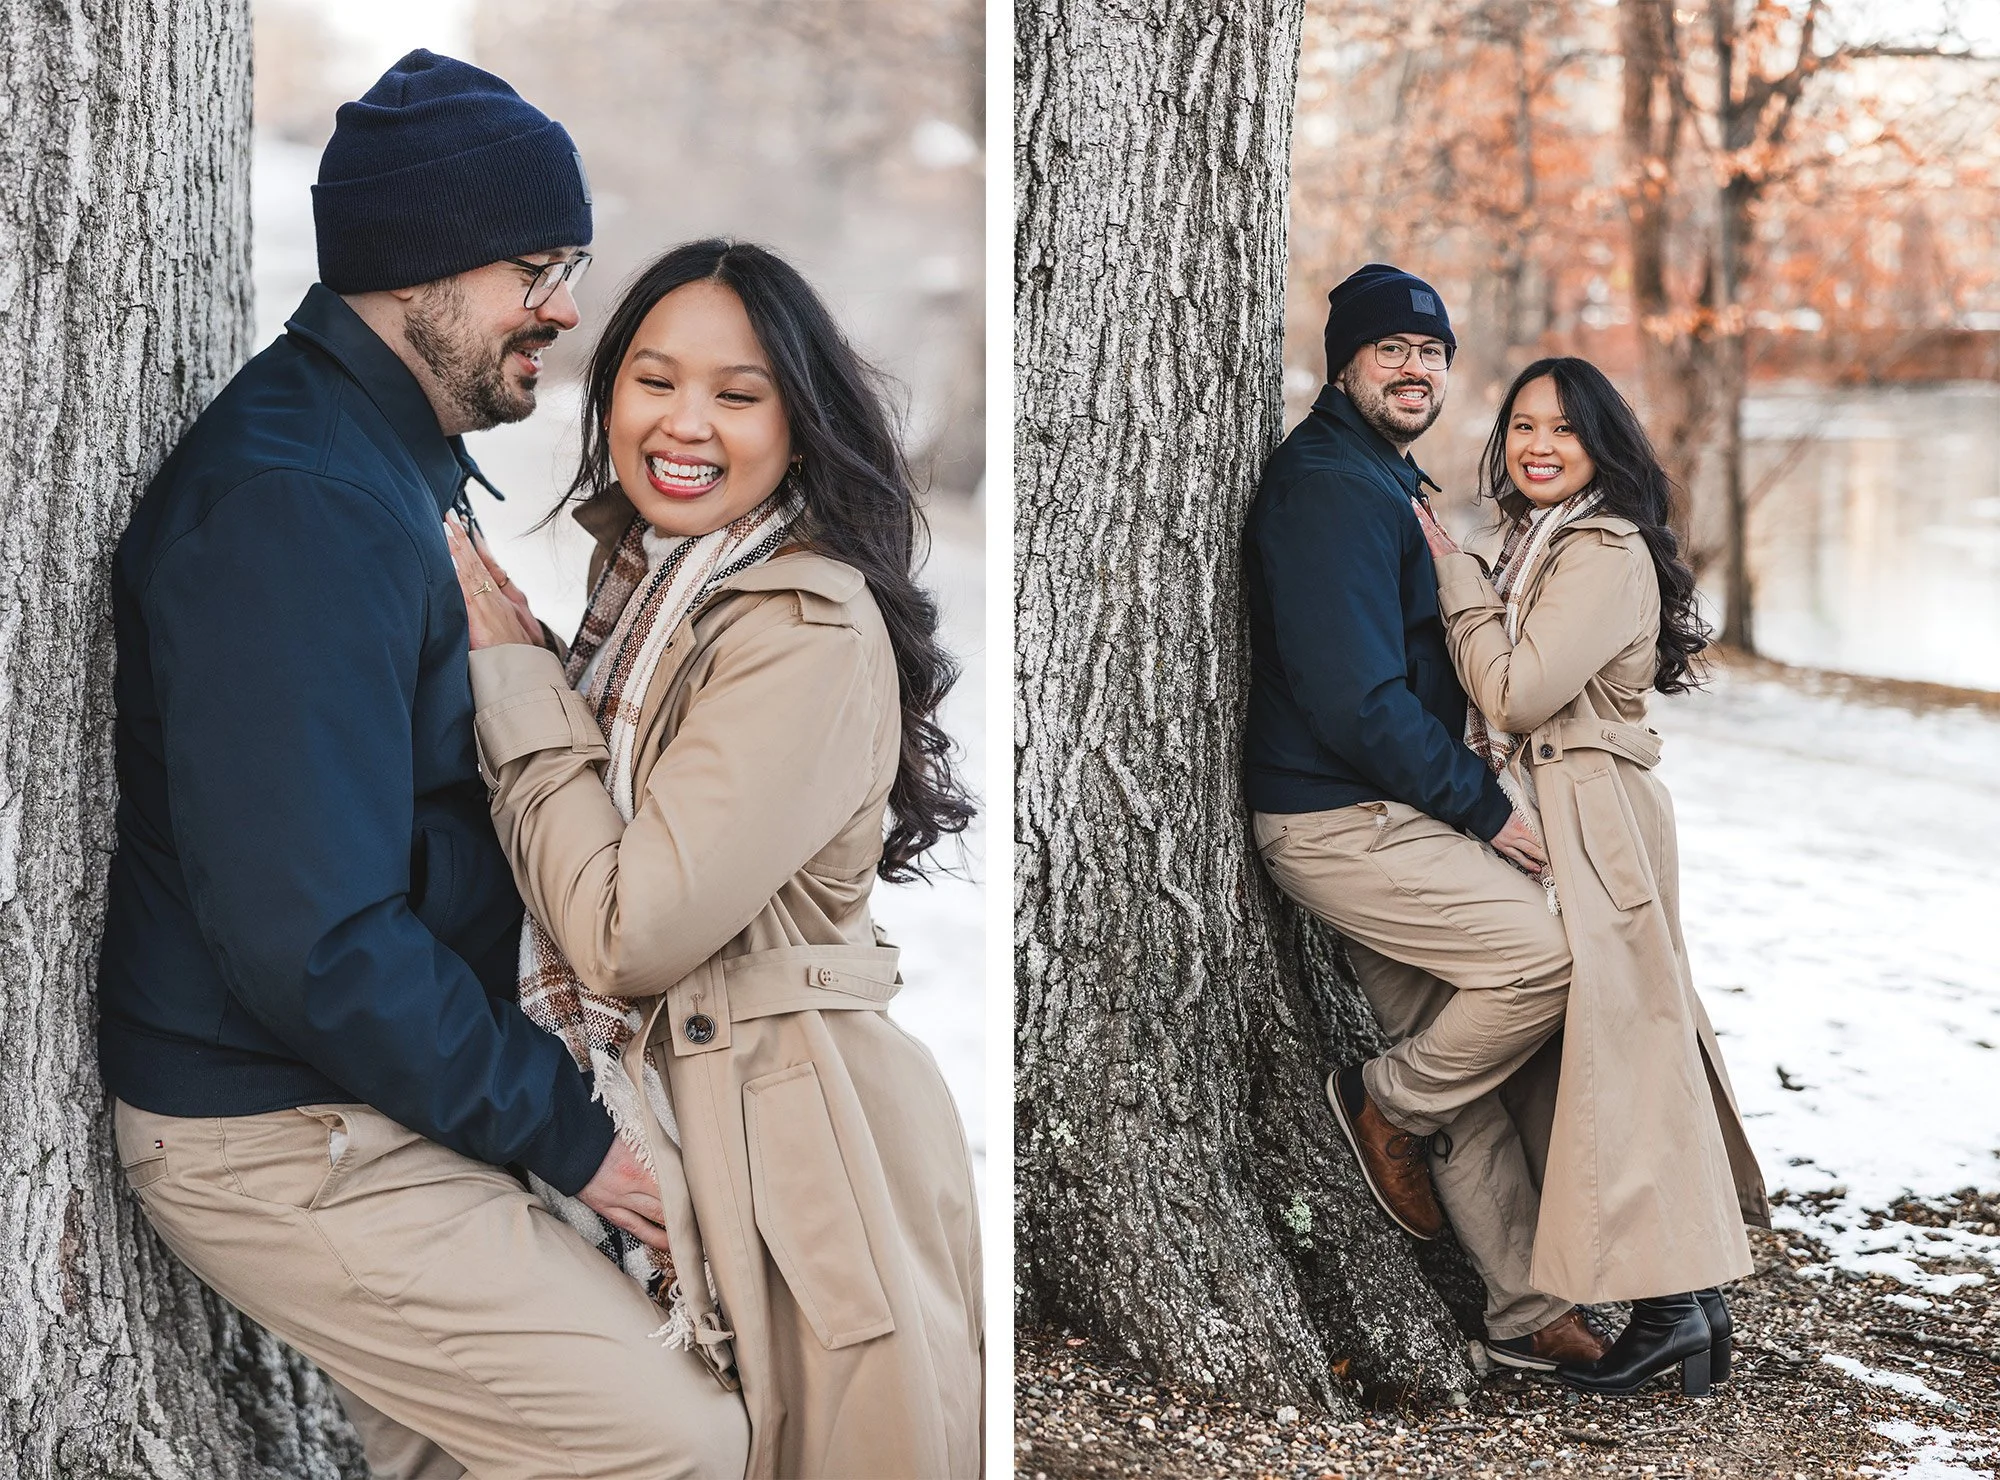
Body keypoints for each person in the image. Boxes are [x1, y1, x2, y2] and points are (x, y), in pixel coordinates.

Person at [99, 51, 747, 1478]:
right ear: (416, 267)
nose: (565, 307)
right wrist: (569, 1137)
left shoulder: (389, 462)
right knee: (683, 1446)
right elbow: (313, 936)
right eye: (537, 265)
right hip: (276, 1124)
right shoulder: (298, 507)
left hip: (368, 1085)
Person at [444, 239, 983, 1478]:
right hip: (690, 1112)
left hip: (800, 1155)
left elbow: (630, 931)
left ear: (801, 423)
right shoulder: (653, 586)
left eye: (738, 395)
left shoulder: (801, 622)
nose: (685, 424)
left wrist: (520, 690)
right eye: (652, 379)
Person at [1242, 263, 1608, 1373]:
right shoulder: (1329, 488)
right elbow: (1353, 697)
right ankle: (1382, 1108)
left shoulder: (1381, 477)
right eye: (1389, 350)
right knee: (1543, 965)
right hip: (1338, 820)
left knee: (1459, 1047)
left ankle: (1520, 1311)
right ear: (1342, 361)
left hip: (1391, 814)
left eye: (1431, 352)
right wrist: (1486, 811)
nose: (1415, 368)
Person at [1411, 357, 1769, 1396]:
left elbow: (1516, 693)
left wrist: (1454, 577)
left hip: (1594, 819)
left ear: (1599, 445)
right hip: (1566, 812)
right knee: (1597, 1050)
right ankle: (1685, 1307)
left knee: (1620, 1051)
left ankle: (1672, 1307)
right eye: (1521, 425)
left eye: (1562, 431)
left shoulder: (1600, 547)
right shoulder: (1536, 543)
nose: (1536, 445)